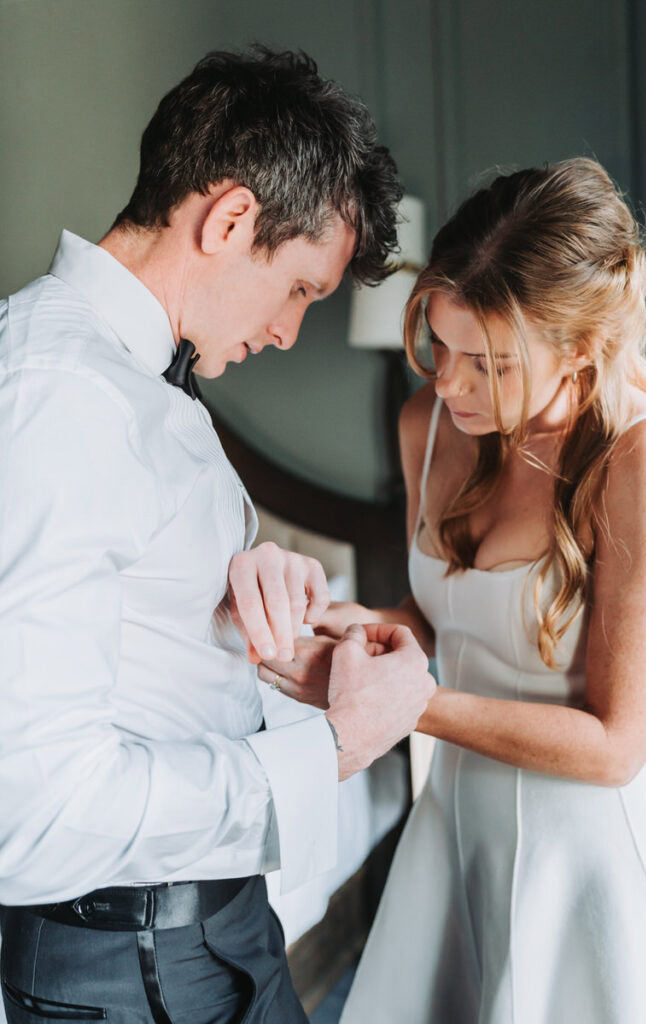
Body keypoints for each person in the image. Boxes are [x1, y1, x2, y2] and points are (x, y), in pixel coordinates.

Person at [0, 48, 436, 1024]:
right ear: (232, 218)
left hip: (206, 940)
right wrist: (330, 746)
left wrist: (256, 621)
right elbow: (30, 810)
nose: (287, 333)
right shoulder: (59, 398)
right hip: (132, 969)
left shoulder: (143, 384)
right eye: (297, 291)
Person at [262, 158, 646, 1023]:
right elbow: (443, 621)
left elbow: (615, 745)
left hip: (587, 848)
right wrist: (354, 629)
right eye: (440, 345)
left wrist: (402, 705)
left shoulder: (644, 458)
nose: (447, 382)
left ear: (581, 350)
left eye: (487, 364)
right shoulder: (429, 423)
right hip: (455, 816)